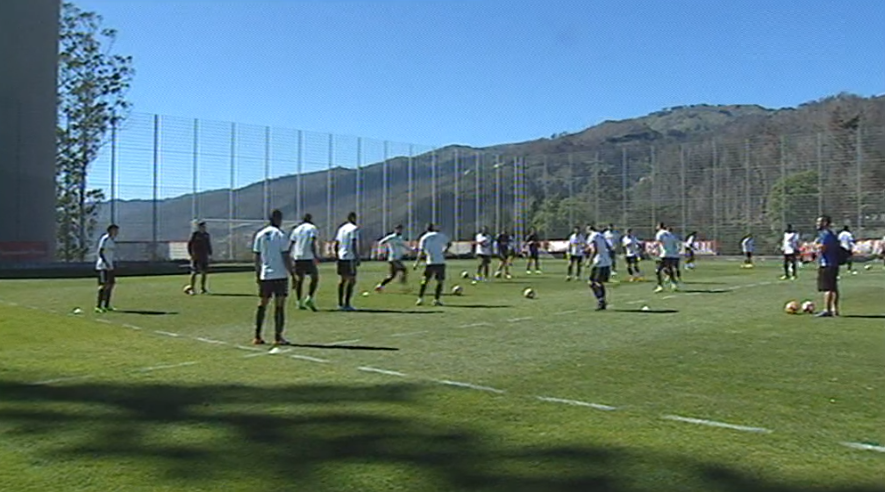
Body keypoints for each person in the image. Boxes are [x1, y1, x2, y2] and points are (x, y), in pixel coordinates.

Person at [252, 210, 292, 345]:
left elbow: (257, 257)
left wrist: (258, 274)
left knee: (262, 304)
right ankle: (278, 337)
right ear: (278, 219)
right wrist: (292, 273)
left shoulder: (260, 234)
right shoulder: (281, 235)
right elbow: (285, 256)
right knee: (279, 306)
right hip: (280, 275)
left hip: (265, 275)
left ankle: (257, 336)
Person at [289, 213, 320, 311]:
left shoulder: (296, 229)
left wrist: (290, 255)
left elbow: (292, 243)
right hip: (308, 256)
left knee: (300, 279)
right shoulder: (312, 228)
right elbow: (312, 242)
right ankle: (309, 298)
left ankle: (299, 301)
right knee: (315, 277)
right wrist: (315, 255)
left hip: (297, 256)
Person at [415, 223, 451, 306]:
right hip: (440, 261)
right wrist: (444, 251)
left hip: (430, 262)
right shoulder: (440, 235)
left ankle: (420, 299)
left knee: (425, 280)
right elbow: (449, 243)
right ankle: (436, 300)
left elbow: (420, 251)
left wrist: (416, 263)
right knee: (440, 281)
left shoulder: (424, 237)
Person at [333, 212, 360, 311]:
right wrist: (356, 256)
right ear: (353, 218)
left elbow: (336, 243)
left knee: (342, 280)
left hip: (341, 257)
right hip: (349, 257)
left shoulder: (341, 229)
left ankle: (340, 303)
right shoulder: (354, 228)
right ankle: (347, 303)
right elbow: (353, 243)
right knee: (352, 280)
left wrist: (337, 255)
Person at [814, 215, 840, 317]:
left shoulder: (825, 234)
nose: (817, 224)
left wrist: (814, 245)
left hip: (827, 263)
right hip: (833, 263)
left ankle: (827, 310)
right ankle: (835, 309)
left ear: (825, 223)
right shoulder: (832, 234)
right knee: (833, 287)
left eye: (819, 222)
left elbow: (823, 248)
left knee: (827, 288)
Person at [375, 224, 409, 292]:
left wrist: (412, 249)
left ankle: (380, 286)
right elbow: (381, 242)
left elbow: (405, 246)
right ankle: (402, 281)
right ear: (395, 230)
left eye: (401, 229)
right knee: (403, 269)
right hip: (393, 258)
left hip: (397, 258)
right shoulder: (391, 237)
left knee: (392, 276)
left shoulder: (400, 238)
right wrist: (380, 252)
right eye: (399, 229)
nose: (400, 231)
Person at [95, 224, 119, 313]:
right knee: (103, 285)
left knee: (111, 284)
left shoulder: (112, 240)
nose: (116, 232)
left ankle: (107, 305)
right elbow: (100, 252)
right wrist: (106, 263)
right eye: (115, 230)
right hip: (103, 266)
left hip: (110, 266)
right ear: (110, 230)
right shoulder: (105, 239)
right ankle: (98, 306)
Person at [587, 226, 612, 311]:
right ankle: (602, 300)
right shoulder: (601, 235)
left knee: (594, 282)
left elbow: (594, 249)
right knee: (596, 282)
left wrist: (589, 260)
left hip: (599, 261)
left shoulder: (592, 236)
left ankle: (601, 301)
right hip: (606, 260)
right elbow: (608, 247)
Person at [187, 221, 213, 294]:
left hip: (204, 257)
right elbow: (190, 245)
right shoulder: (195, 235)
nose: (204, 228)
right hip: (196, 256)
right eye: (202, 227)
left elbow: (208, 244)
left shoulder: (206, 235)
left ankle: (203, 288)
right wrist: (191, 254)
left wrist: (210, 253)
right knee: (194, 272)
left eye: (204, 227)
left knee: (204, 273)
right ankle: (192, 288)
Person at [654, 223, 680, 293]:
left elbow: (658, 242)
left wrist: (653, 249)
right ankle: (674, 284)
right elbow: (675, 244)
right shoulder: (670, 234)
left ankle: (660, 286)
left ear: (659, 227)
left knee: (657, 270)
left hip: (664, 254)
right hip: (671, 255)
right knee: (669, 269)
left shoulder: (660, 233)